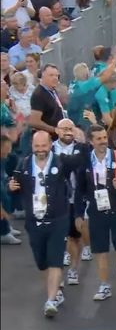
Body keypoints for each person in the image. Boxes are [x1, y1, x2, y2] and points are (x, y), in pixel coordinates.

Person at [7, 131, 76, 316]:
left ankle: (50, 300)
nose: (40, 150)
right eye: (37, 147)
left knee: (55, 259)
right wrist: (11, 187)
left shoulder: (61, 162)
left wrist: (80, 138)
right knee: (42, 261)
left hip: (58, 219)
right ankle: (55, 292)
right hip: (34, 220)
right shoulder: (23, 164)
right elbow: (13, 184)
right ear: (32, 146)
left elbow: (82, 159)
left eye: (43, 146)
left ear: (50, 144)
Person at [76, 125, 116, 301]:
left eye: (104, 137)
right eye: (99, 139)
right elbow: (79, 189)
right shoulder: (86, 160)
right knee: (100, 249)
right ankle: (104, 285)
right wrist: (79, 214)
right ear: (90, 141)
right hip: (96, 209)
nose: (103, 141)